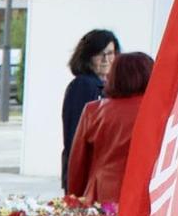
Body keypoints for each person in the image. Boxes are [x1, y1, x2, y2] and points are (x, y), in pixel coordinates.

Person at [66, 51, 154, 206]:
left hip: (101, 195)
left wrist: (74, 199)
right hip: (147, 195)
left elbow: (77, 165)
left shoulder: (93, 111)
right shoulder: (162, 112)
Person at [60, 29, 120, 178]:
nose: (106, 59)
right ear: (87, 57)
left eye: (110, 53)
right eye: (100, 54)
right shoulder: (83, 85)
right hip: (85, 173)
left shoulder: (109, 86)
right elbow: (74, 135)